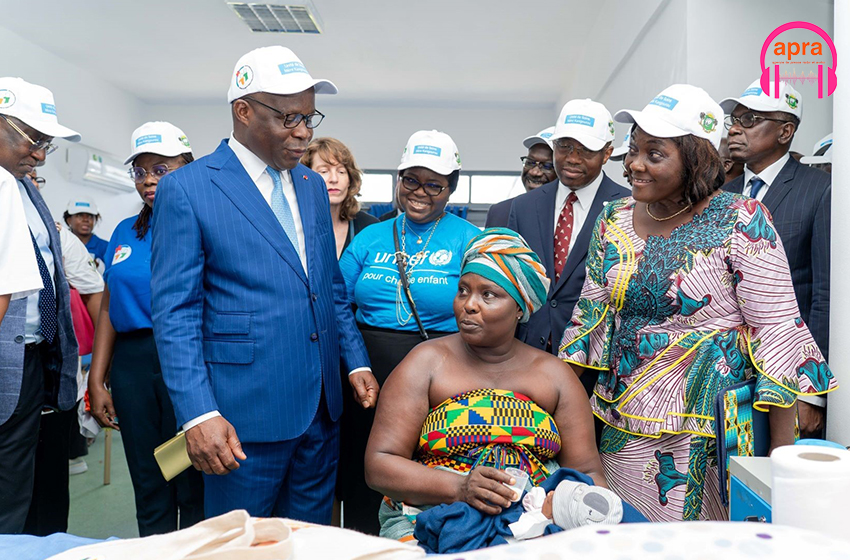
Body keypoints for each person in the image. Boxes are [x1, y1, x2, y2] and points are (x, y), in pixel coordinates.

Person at [559, 84, 836, 522]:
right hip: (621, 426)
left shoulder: (742, 219)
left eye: (654, 154)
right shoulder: (612, 219)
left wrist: (781, 465)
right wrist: (552, 423)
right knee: (625, 537)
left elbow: (778, 335)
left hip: (716, 431)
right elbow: (587, 325)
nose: (634, 165)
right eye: (633, 151)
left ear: (696, 158)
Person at [150, 46, 377, 524]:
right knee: (239, 546)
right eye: (289, 117)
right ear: (244, 111)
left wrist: (354, 361)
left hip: (320, 409)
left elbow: (328, 289)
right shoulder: (188, 188)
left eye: (309, 117)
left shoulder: (313, 188)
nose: (303, 132)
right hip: (239, 420)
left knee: (309, 541)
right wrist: (198, 414)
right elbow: (176, 313)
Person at [364, 229, 607, 541]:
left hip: (534, 524)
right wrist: (460, 488)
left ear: (520, 307)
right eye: (463, 290)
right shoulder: (426, 362)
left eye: (488, 295)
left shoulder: (554, 375)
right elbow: (379, 464)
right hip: (431, 519)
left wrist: (562, 505)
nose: (469, 305)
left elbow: (588, 472)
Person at [338, 129, 480, 534]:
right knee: (364, 472)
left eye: (434, 183)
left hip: (441, 376)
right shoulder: (370, 236)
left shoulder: (471, 239)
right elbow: (337, 305)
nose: (420, 191)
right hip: (364, 375)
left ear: (451, 187)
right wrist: (353, 365)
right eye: (411, 180)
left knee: (430, 471)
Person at [88, 122, 204, 536]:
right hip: (134, 365)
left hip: (189, 360)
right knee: (148, 475)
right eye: (140, 171)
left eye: (162, 168)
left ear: (187, 168)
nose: (149, 179)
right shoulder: (124, 231)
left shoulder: (207, 223)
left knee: (190, 474)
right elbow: (108, 308)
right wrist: (97, 379)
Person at [721, 80, 831, 439]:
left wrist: (812, 391)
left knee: (780, 475)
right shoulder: (720, 195)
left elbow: (823, 294)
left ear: (785, 131)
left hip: (787, 375)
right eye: (734, 119)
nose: (736, 128)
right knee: (735, 477)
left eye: (750, 119)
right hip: (728, 375)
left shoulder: (819, 189)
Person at [0, 77, 81, 533]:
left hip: (31, 357)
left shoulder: (25, 188)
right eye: (33, 139)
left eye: (46, 144)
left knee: (17, 484)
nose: (40, 154)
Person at [507, 99, 629, 396]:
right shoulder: (524, 207)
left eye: (585, 150)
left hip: (597, 368)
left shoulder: (628, 208)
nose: (572, 158)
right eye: (564, 147)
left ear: (607, 153)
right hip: (524, 356)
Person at [23, 167, 103, 535]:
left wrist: (99, 365)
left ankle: (49, 541)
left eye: (35, 181)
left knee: (49, 470)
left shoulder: (59, 237)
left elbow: (93, 294)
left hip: (48, 363)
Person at [301, 137, 378, 257]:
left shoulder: (369, 227)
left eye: (341, 172)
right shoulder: (294, 225)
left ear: (350, 180)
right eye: (324, 171)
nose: (334, 179)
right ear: (306, 177)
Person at [485, 127, 556, 228]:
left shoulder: (568, 216)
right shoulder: (500, 212)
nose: (534, 172)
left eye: (547, 166)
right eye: (530, 162)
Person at [0, 165, 42, 325]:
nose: (35, 184)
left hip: (40, 336)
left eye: (36, 179)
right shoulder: (5, 182)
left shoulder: (43, 217)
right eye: (30, 178)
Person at [63, 196, 108, 273]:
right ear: (69, 220)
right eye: (80, 215)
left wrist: (98, 266)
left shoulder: (105, 247)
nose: (85, 220)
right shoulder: (61, 244)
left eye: (90, 216)